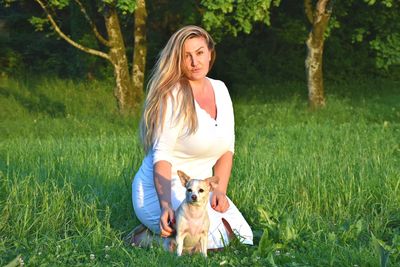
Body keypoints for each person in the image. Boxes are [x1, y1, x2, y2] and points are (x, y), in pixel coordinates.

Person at [130, 25, 253, 250]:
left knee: (241, 237)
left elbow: (227, 148)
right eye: (187, 56)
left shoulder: (221, 89)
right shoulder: (173, 95)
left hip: (199, 188)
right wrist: (165, 205)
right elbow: (162, 156)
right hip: (160, 189)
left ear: (210, 54)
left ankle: (169, 241)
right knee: (204, 243)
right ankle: (144, 239)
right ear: (178, 60)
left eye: (199, 53)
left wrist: (220, 190)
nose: (195, 62)